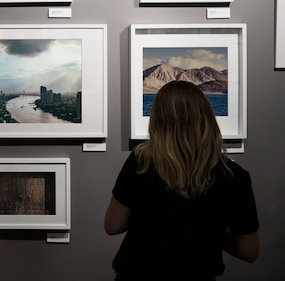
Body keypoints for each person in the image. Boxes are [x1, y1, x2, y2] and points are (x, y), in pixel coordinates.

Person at [104, 80, 259, 281]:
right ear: (207, 118)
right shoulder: (234, 175)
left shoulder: (140, 162)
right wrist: (209, 229)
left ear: (158, 119)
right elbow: (249, 251)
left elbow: (112, 226)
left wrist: (151, 219)